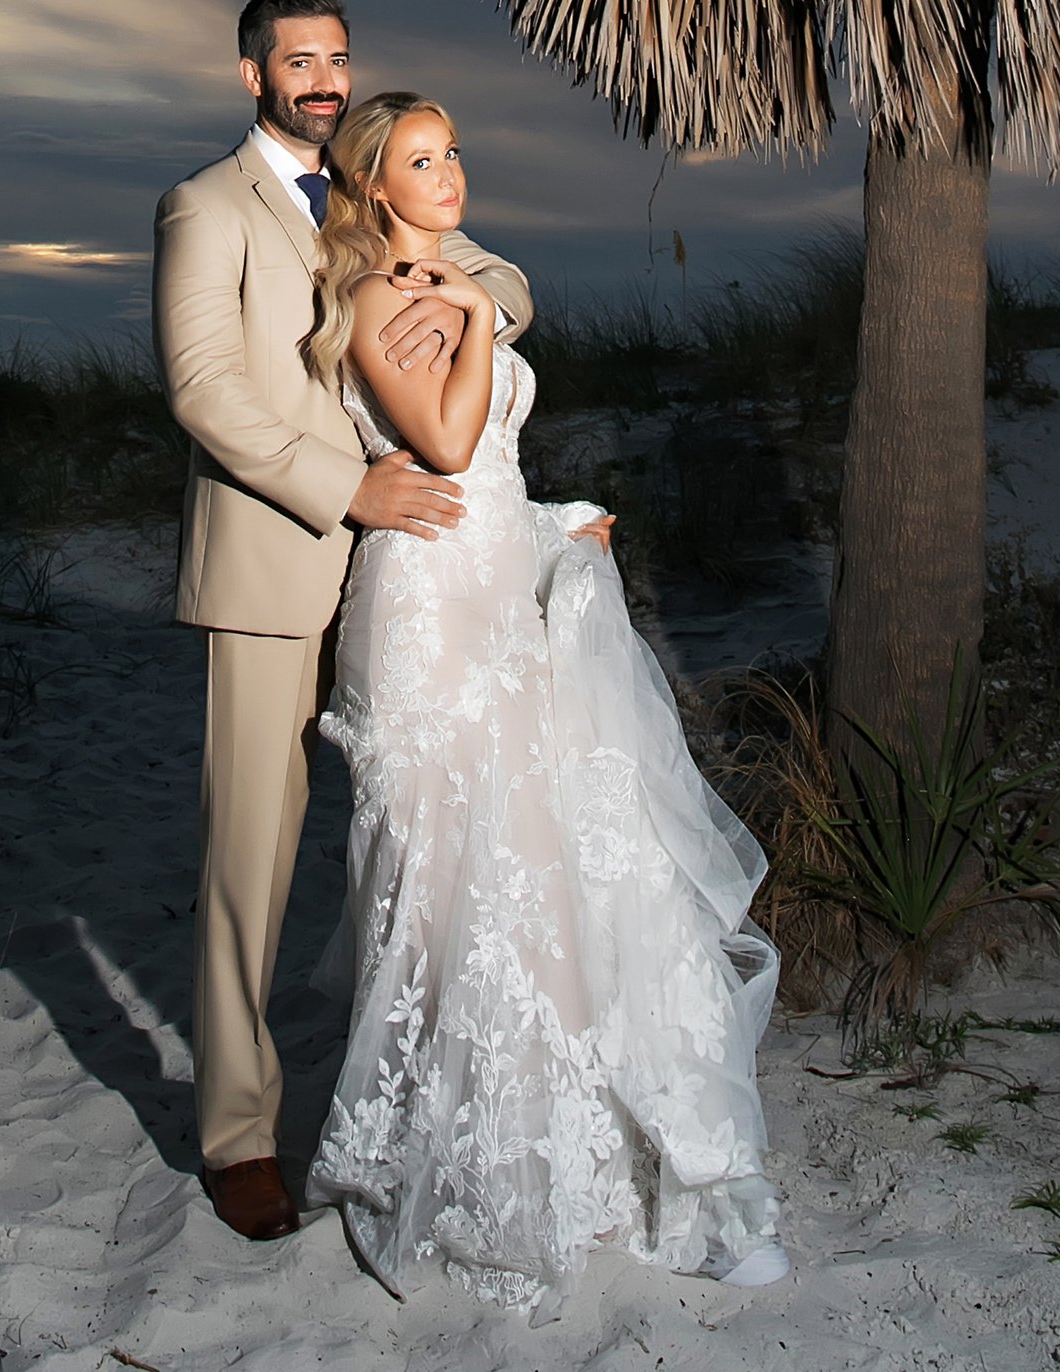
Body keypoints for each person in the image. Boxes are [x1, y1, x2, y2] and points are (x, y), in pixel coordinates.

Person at [301, 92, 787, 1305]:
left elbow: (493, 473)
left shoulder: (458, 286)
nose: (451, 169)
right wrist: (466, 310)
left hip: (500, 588)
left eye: (456, 147)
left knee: (554, 865)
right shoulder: (374, 304)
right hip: (421, 614)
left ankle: (590, 1157)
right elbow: (450, 447)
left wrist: (556, 520)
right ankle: (444, 1158)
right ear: (372, 189)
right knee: (451, 879)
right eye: (421, 158)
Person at [152, 0, 533, 1242]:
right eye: (296, 58)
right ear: (251, 74)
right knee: (249, 861)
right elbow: (205, 389)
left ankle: (420, 1092)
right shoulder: (208, 207)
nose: (320, 75)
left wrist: (453, 287)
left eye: (337, 57)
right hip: (274, 563)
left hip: (400, 585)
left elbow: (507, 283)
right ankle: (238, 1135)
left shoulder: (373, 197)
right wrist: (345, 485)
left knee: (421, 843)